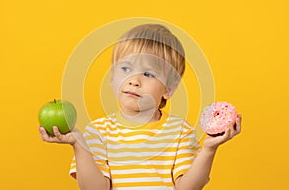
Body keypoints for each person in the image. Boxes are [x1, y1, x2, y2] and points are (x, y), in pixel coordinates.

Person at [39, 24, 242, 190]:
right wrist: (78, 144)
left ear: (168, 89)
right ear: (112, 77)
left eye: (148, 74)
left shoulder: (180, 131)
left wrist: (208, 149)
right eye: (126, 69)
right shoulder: (98, 132)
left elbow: (187, 188)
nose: (133, 80)